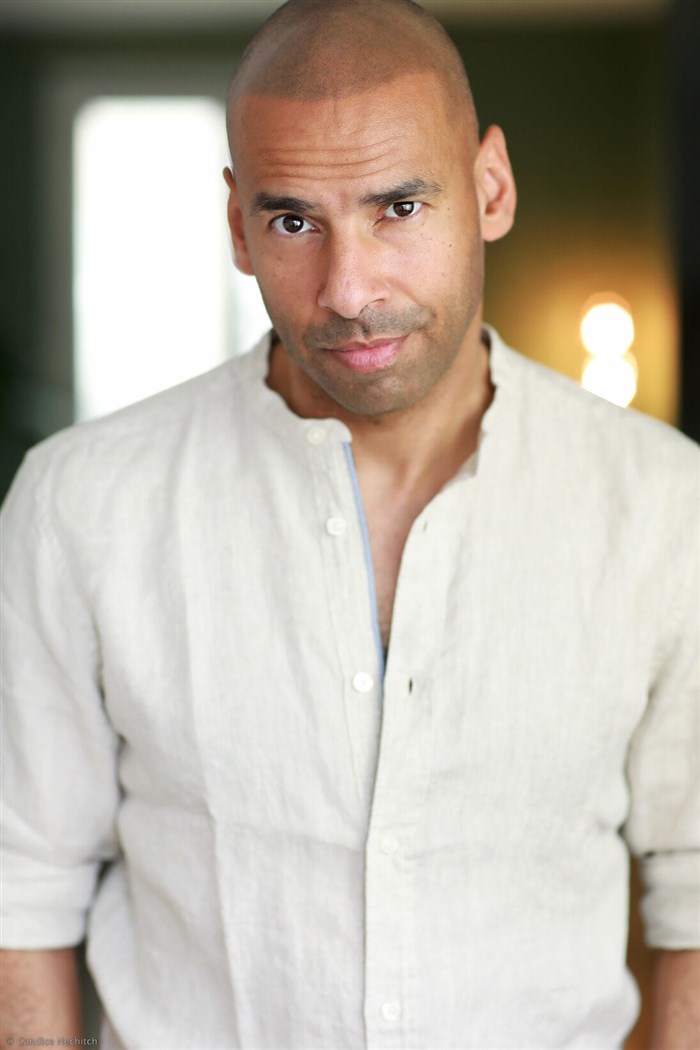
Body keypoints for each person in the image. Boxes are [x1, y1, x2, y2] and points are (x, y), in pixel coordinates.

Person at [1, 0, 698, 1046]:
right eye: (294, 222)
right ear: (237, 225)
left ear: (491, 188)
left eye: (399, 207)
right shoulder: (80, 505)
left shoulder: (663, 503)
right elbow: (21, 891)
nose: (348, 289)